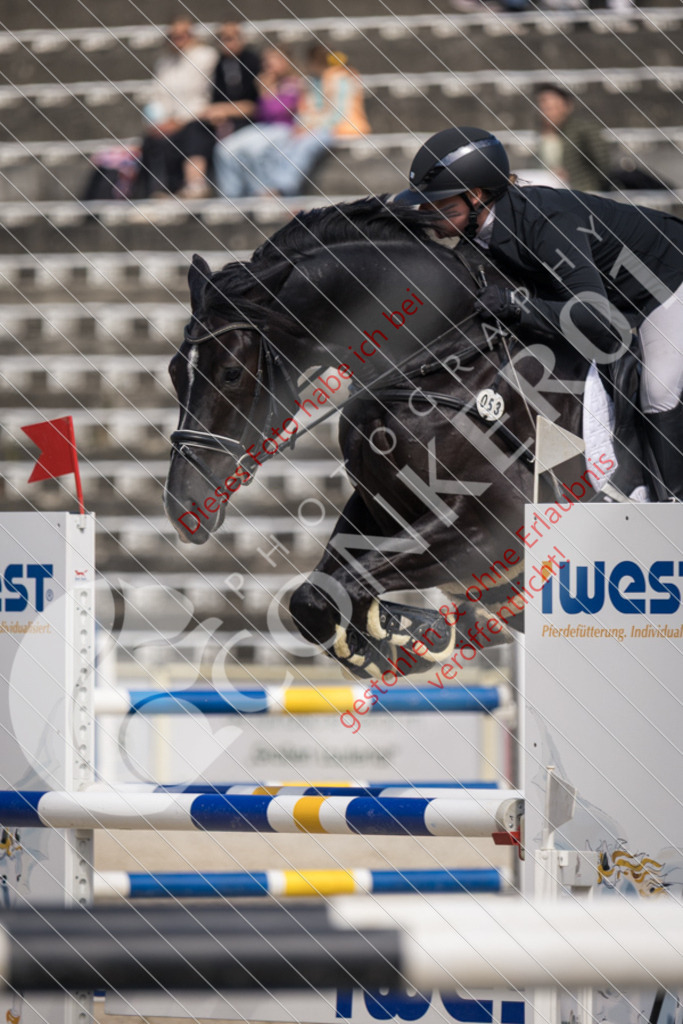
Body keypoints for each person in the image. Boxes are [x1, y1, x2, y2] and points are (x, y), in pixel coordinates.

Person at [394, 126, 683, 499]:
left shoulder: (544, 223)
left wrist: (517, 307)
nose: (425, 212)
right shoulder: (478, 232)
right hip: (626, 298)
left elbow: (596, 318)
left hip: (668, 280)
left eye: (437, 202)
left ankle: (672, 508)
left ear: (475, 196)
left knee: (658, 387)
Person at [214, 44, 369, 199]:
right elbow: (301, 111)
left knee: (298, 147)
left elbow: (338, 113)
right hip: (295, 127)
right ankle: (236, 197)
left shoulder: (338, 78)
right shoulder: (314, 81)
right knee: (227, 149)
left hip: (336, 128)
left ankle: (282, 189)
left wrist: (308, 125)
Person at [136, 18, 218, 199]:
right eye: (174, 36)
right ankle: (158, 191)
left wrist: (178, 121)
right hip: (169, 120)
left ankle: (195, 186)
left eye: (183, 35)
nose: (178, 40)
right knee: (153, 139)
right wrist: (157, 121)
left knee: (194, 132)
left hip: (196, 117)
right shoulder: (164, 63)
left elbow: (201, 95)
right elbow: (157, 96)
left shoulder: (205, 56)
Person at [212, 45, 303, 198]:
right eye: (266, 62)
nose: (267, 66)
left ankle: (262, 193)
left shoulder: (295, 83)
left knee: (253, 151)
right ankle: (230, 197)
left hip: (285, 128)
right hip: (264, 127)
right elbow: (262, 115)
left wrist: (266, 92)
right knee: (224, 149)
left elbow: (277, 113)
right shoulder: (267, 83)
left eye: (272, 61)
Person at [534, 84, 612, 192]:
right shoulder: (545, 134)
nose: (547, 113)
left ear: (567, 106)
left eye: (552, 108)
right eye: (543, 108)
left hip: (583, 191)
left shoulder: (584, 129)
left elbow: (601, 163)